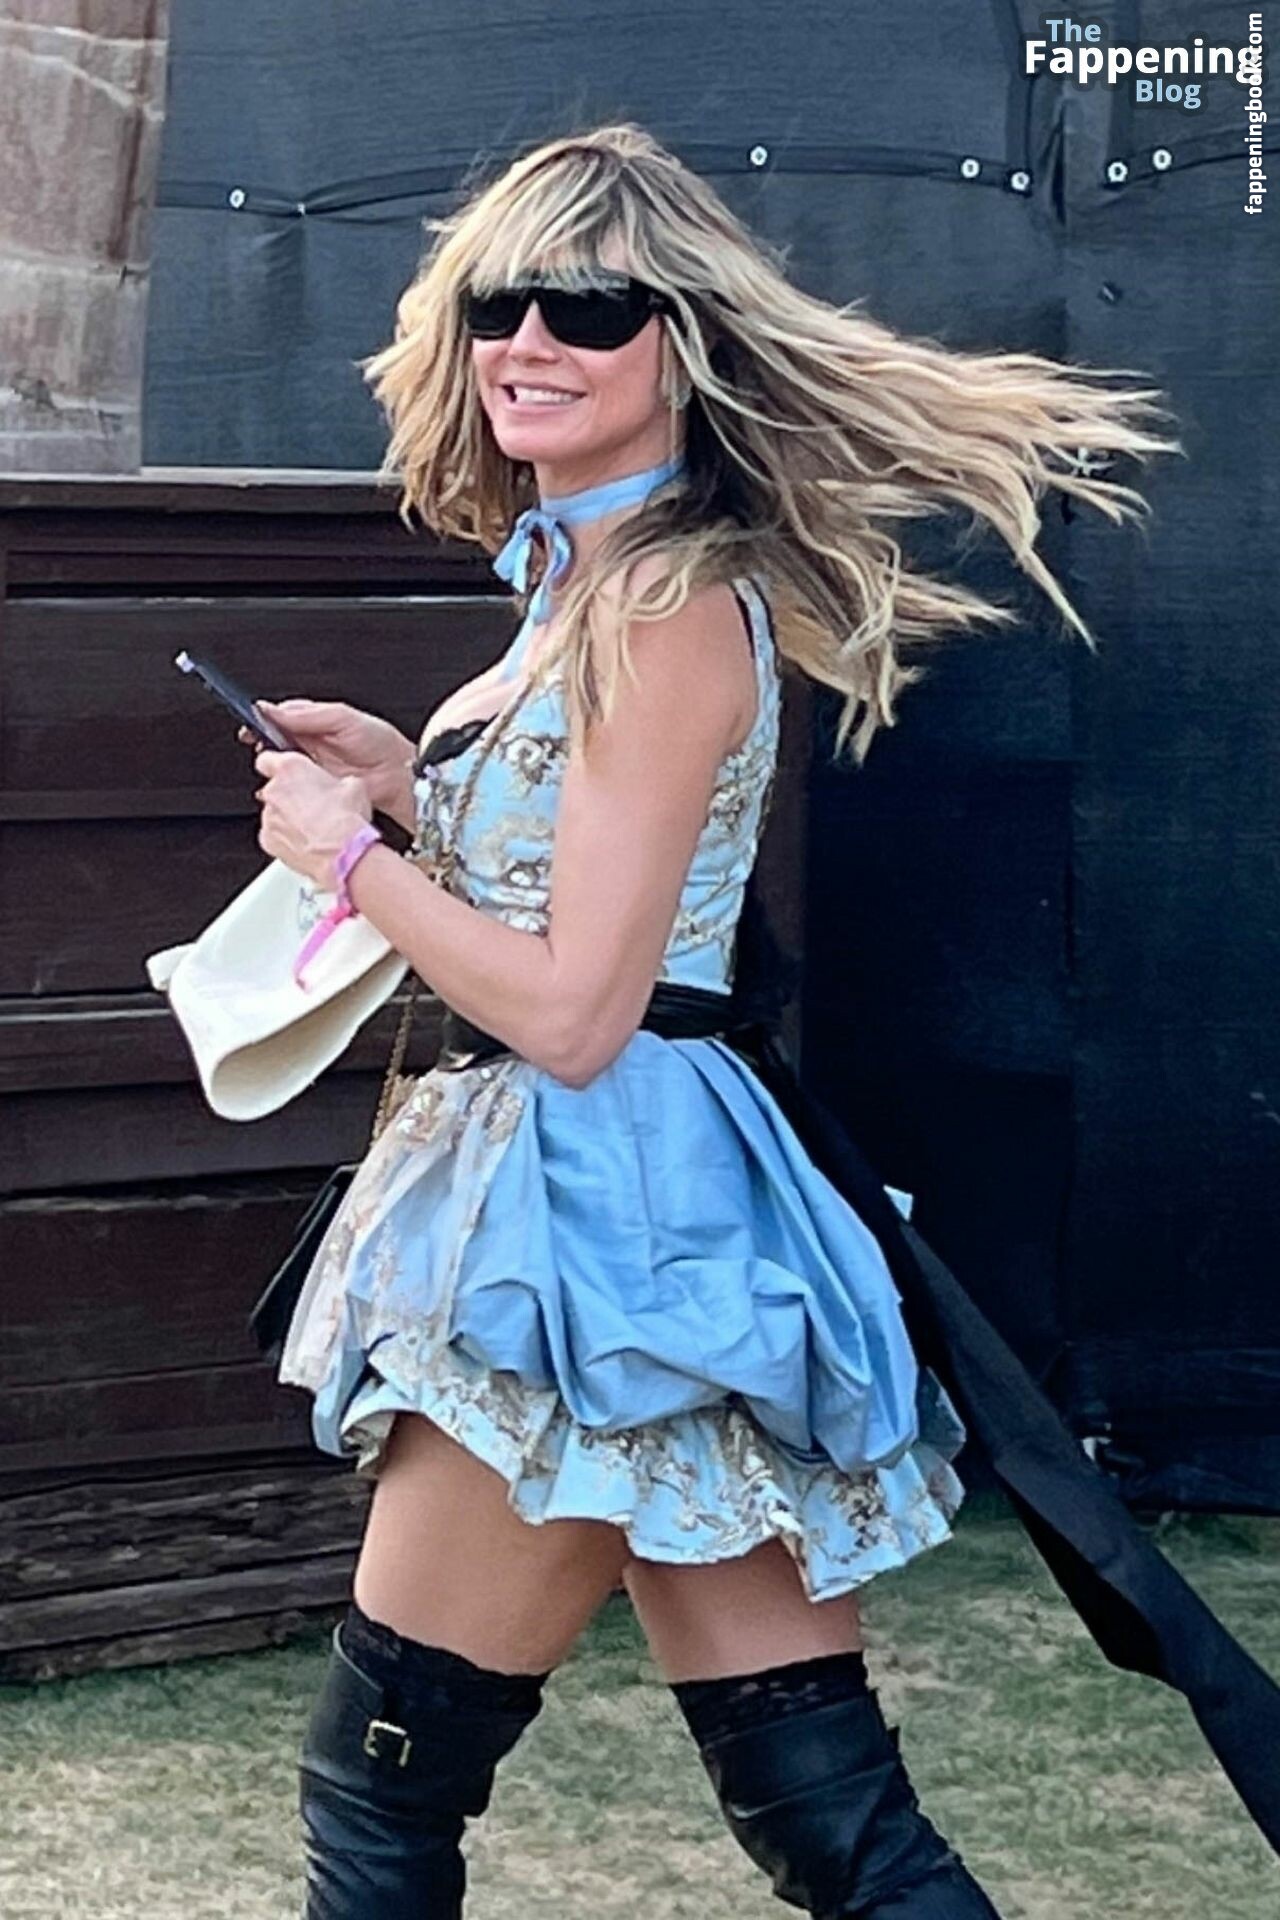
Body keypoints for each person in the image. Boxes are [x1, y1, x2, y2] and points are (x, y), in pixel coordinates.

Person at [242, 122, 1187, 1917]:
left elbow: (577, 1011)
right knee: (835, 1824)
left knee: (379, 1800)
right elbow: (599, 900)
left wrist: (345, 865)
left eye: (588, 308)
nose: (528, 340)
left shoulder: (663, 599)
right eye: (498, 302)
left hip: (587, 1234)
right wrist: (411, 798)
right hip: (654, 1230)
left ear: (682, 344)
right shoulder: (589, 583)